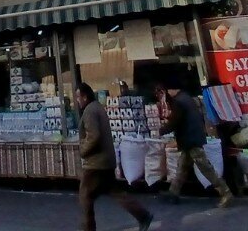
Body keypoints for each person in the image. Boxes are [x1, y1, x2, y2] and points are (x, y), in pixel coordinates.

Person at [75, 83, 153, 231]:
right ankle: (143, 215)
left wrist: (83, 150)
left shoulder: (90, 111)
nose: (77, 100)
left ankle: (87, 228)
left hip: (95, 163)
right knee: (116, 192)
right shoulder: (98, 107)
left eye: (78, 97)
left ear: (85, 97)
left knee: (85, 196)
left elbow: (93, 136)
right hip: (106, 160)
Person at [162, 77, 233, 208]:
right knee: (183, 166)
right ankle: (173, 193)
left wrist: (161, 130)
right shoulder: (187, 98)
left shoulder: (178, 102)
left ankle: (225, 192)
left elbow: (175, 121)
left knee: (205, 167)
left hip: (191, 140)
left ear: (171, 89)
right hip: (192, 138)